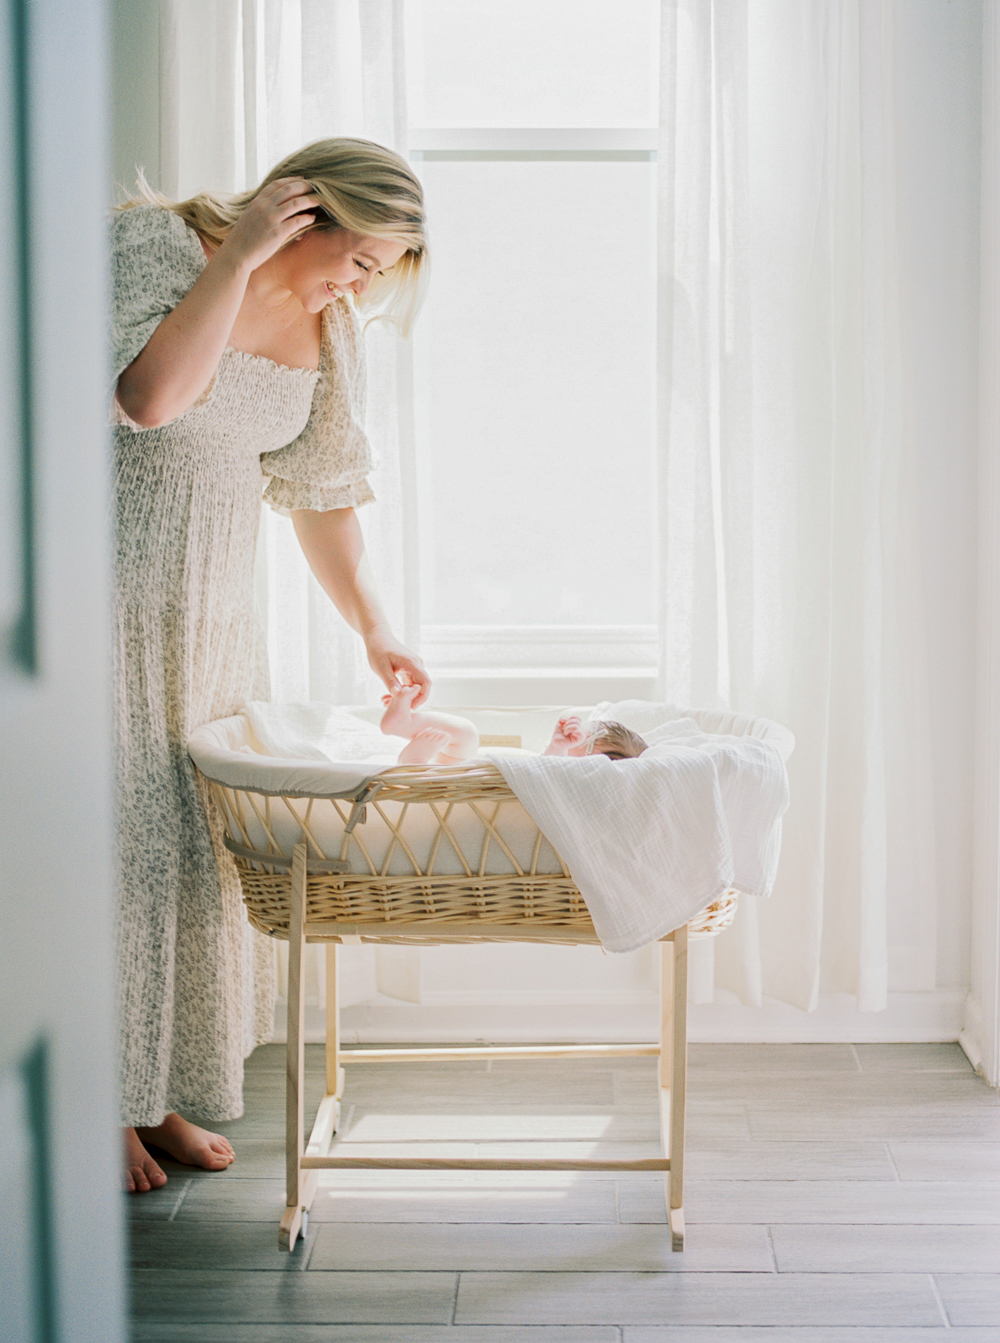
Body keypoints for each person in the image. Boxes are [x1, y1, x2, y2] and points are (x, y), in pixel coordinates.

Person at [111, 138, 430, 1193]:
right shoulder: (156, 245)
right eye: (363, 258)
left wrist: (374, 627)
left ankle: (147, 1089)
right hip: (97, 595)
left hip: (209, 615)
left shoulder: (330, 331)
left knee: (180, 849)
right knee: (99, 847)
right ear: (309, 212)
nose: (360, 283)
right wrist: (236, 259)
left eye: (378, 271)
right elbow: (151, 399)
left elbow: (322, 489)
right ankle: (84, 1101)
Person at [379, 686, 648, 764]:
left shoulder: (567, 772)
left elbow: (550, 774)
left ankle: (412, 765)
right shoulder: (554, 758)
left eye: (586, 738)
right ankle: (404, 723)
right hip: (465, 763)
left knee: (466, 735)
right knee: (466, 733)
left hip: (464, 782)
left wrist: (559, 748)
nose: (573, 734)